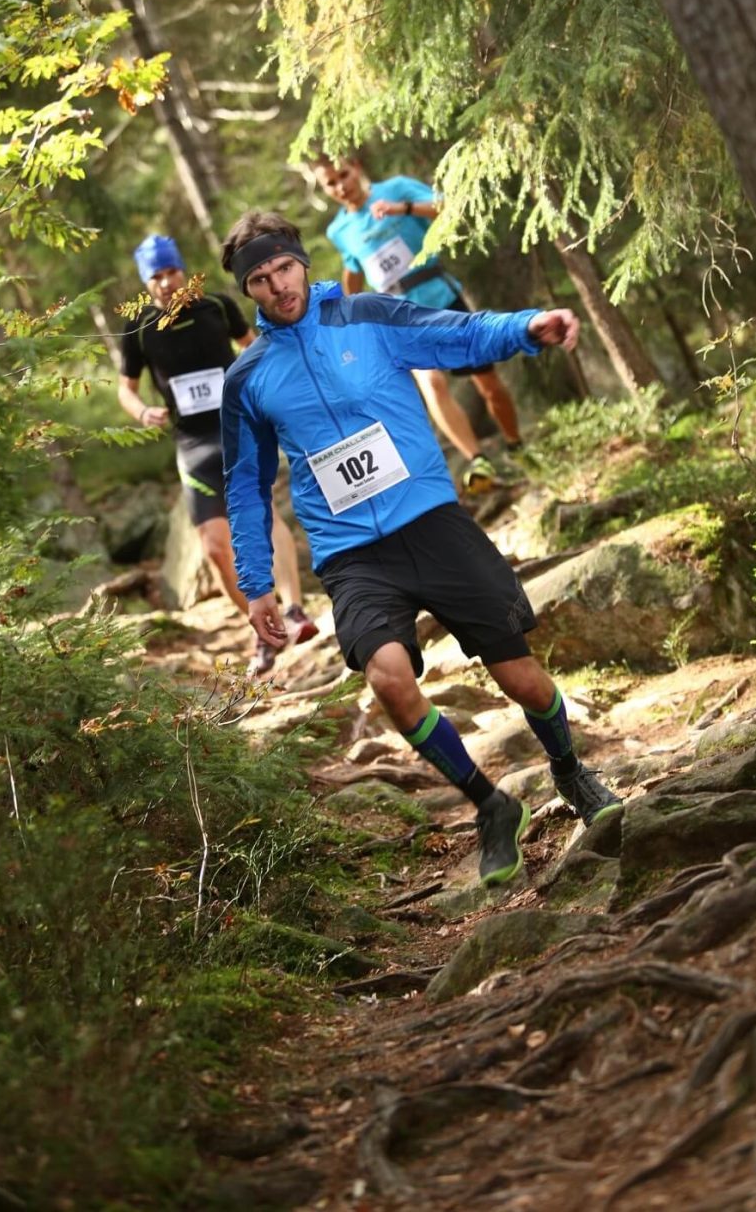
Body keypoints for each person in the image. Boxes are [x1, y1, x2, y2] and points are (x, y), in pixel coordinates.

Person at [219, 211, 621, 886]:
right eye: (259, 279)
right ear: (247, 291)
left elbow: (457, 334)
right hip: (352, 555)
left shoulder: (366, 317)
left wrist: (527, 328)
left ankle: (570, 770)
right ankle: (491, 805)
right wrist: (256, 584)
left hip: (431, 522)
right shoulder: (248, 378)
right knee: (387, 680)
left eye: (284, 268)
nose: (278, 286)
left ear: (303, 263)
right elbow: (245, 485)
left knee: (521, 679)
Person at [118, 233, 318, 675]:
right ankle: (263, 628)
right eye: (156, 276)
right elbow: (125, 389)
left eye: (171, 271)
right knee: (214, 547)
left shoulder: (217, 307)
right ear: (146, 282)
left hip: (238, 428)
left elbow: (254, 347)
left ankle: (294, 609)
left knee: (264, 515)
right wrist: (142, 411)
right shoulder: (141, 330)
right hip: (192, 445)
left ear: (183, 270)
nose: (166, 282)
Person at [312, 154, 525, 496]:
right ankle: (478, 461)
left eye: (344, 175)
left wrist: (403, 209)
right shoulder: (339, 230)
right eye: (331, 183)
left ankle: (516, 446)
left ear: (357, 168)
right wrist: (348, 317)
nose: (341, 186)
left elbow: (446, 208)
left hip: (441, 298)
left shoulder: (396, 188)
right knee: (433, 383)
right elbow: (353, 269)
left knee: (489, 385)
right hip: (399, 317)